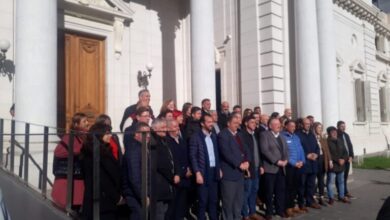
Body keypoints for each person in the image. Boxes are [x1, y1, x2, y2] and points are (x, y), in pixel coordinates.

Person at [81, 123, 122, 220]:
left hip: (106, 201)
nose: (110, 136)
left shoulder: (104, 149)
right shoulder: (93, 153)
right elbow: (102, 179)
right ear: (99, 134)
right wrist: (116, 197)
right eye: (107, 133)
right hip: (101, 201)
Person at [52, 113, 88, 210]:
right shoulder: (70, 137)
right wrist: (80, 149)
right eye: (84, 121)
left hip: (78, 184)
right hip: (67, 184)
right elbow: (58, 152)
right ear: (76, 124)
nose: (87, 123)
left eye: (87, 121)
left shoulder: (83, 136)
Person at [189, 114, 221, 220]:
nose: (211, 124)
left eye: (212, 121)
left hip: (213, 171)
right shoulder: (195, 137)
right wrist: (197, 172)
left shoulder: (213, 136)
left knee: (213, 200)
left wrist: (219, 168)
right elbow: (193, 156)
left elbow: (217, 154)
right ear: (202, 123)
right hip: (203, 171)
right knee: (203, 201)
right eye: (208, 122)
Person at [218, 115, 249, 220]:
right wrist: (239, 164)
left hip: (240, 175)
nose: (237, 125)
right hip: (229, 174)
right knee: (228, 203)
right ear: (228, 123)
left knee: (238, 202)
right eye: (235, 123)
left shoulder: (239, 135)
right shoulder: (223, 135)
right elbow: (226, 153)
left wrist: (247, 161)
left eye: (238, 123)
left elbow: (246, 150)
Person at [260, 118, 289, 219]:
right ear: (270, 126)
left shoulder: (282, 136)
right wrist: (277, 161)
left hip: (282, 169)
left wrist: (286, 160)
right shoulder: (265, 135)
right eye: (275, 124)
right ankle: (269, 212)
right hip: (270, 168)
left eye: (279, 124)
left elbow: (286, 150)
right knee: (269, 191)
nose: (278, 125)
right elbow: (265, 150)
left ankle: (280, 210)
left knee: (280, 191)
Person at [122, 122, 151, 220]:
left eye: (149, 133)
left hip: (140, 193)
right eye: (144, 133)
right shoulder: (134, 149)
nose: (147, 136)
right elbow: (134, 177)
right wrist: (143, 196)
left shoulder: (142, 147)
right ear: (136, 134)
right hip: (134, 194)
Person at [166, 120, 192, 220]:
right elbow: (172, 161)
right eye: (174, 126)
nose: (177, 128)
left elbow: (186, 156)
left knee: (182, 208)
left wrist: (189, 169)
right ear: (168, 129)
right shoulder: (167, 141)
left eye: (178, 126)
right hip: (176, 179)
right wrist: (182, 173)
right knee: (173, 209)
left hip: (185, 179)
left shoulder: (181, 140)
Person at [240, 116, 264, 220]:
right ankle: (245, 214)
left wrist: (261, 165)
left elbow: (259, 151)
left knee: (254, 190)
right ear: (246, 123)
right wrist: (246, 168)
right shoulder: (242, 136)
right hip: (248, 169)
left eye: (255, 122)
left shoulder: (255, 135)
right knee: (247, 192)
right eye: (252, 122)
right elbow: (242, 154)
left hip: (257, 167)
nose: (254, 124)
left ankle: (252, 212)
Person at [150, 119, 175, 220]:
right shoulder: (153, 142)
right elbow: (160, 163)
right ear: (155, 129)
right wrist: (171, 176)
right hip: (159, 183)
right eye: (162, 128)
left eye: (166, 127)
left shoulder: (165, 140)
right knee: (159, 214)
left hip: (166, 184)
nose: (165, 130)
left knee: (165, 212)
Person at [295, 118, 321, 209]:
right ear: (302, 124)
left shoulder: (311, 134)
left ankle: (310, 201)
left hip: (313, 163)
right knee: (302, 185)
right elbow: (297, 149)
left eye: (309, 124)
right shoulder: (297, 134)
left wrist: (316, 154)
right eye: (306, 124)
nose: (308, 125)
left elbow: (317, 146)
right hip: (304, 164)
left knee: (311, 184)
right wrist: (306, 155)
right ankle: (301, 203)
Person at [282, 120, 306, 217]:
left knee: (296, 187)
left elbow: (301, 150)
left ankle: (293, 205)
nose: (293, 127)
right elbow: (284, 153)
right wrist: (293, 163)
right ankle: (288, 207)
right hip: (290, 166)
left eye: (294, 126)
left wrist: (302, 161)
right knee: (289, 187)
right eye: (291, 126)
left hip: (299, 166)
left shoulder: (296, 137)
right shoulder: (283, 136)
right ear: (286, 126)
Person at [326, 126, 350, 205]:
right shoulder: (327, 142)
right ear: (329, 134)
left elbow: (345, 152)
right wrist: (337, 160)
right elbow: (328, 154)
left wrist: (343, 159)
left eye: (335, 132)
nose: (334, 133)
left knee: (341, 182)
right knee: (330, 182)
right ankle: (331, 198)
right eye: (332, 132)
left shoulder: (340, 140)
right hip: (333, 165)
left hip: (341, 165)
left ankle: (341, 196)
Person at [313, 122, 332, 206]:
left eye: (321, 128)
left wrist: (330, 160)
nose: (320, 129)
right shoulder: (311, 137)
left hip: (322, 160)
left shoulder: (323, 138)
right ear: (314, 128)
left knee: (321, 180)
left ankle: (321, 197)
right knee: (313, 180)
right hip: (314, 161)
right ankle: (312, 197)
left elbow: (327, 150)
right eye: (318, 128)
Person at [337, 120, 354, 198]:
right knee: (340, 177)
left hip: (347, 159)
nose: (343, 128)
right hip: (341, 159)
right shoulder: (337, 135)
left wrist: (351, 156)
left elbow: (350, 146)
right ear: (338, 127)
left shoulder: (346, 135)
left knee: (345, 176)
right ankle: (341, 192)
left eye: (344, 126)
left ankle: (345, 191)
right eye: (342, 126)